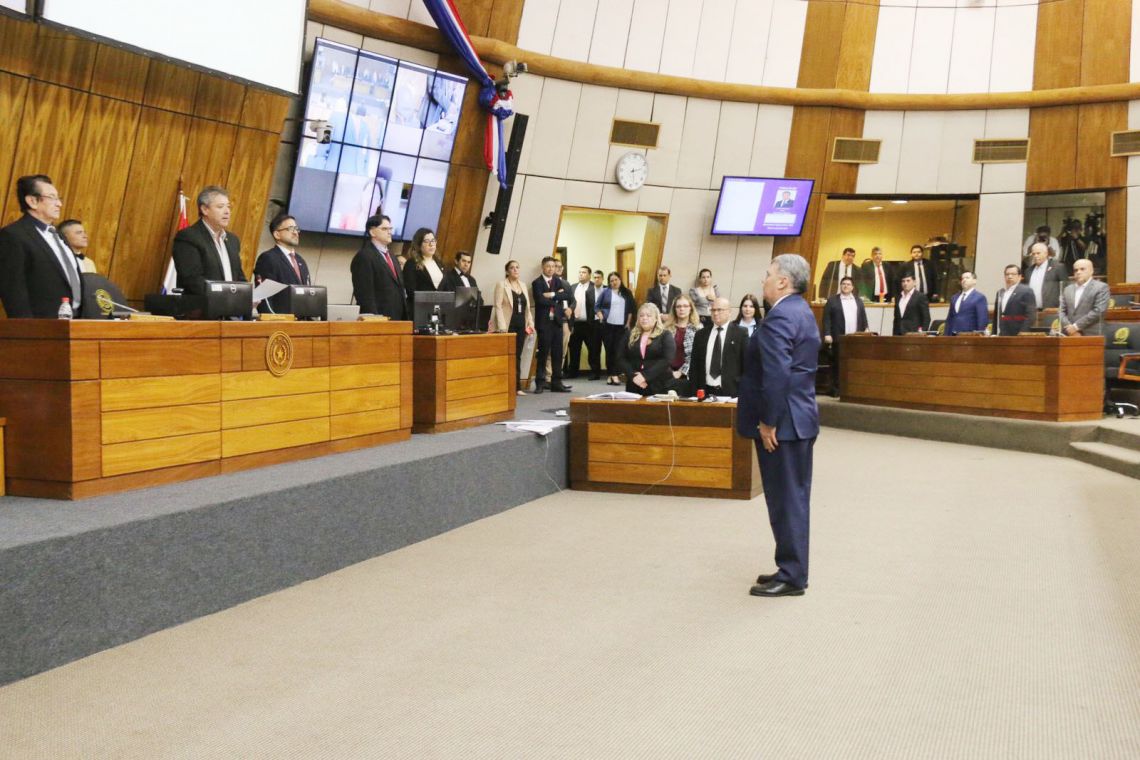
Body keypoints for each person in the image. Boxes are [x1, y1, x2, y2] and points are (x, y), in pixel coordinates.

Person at [737, 253, 820, 598]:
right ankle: (791, 566)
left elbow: (776, 375)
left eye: (769, 274)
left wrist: (768, 422)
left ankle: (792, 575)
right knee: (792, 499)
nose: (764, 280)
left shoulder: (780, 317)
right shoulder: (801, 311)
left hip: (783, 424)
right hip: (799, 419)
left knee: (786, 500)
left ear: (784, 281)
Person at [0, 174, 85, 317]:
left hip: (74, 321)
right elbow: (13, 289)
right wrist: (28, 331)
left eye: (59, 198)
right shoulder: (13, 235)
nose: (59, 204)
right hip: (42, 325)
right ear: (32, 201)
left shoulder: (58, 235)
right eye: (52, 198)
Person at [172, 185, 245, 296]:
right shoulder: (188, 237)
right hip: (201, 309)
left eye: (228, 207)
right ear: (204, 209)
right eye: (220, 207)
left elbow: (238, 276)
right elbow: (192, 279)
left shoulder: (232, 240)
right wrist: (223, 297)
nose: (227, 212)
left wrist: (247, 296)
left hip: (231, 309)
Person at [351, 214, 408, 319]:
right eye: (384, 229)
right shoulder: (364, 257)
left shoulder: (391, 255)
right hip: (378, 320)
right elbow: (365, 294)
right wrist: (374, 319)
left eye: (390, 229)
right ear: (372, 232)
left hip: (398, 319)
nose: (389, 232)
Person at [689, 297, 748, 397]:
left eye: (719, 310)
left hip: (731, 392)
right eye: (713, 310)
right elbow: (694, 365)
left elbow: (746, 364)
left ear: (729, 312)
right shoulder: (701, 334)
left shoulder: (740, 333)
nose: (715, 313)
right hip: (704, 391)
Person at [253, 213, 311, 315]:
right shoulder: (268, 258)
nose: (295, 233)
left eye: (296, 229)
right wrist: (275, 323)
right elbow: (264, 299)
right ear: (277, 234)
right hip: (280, 324)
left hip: (302, 323)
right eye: (290, 229)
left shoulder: (300, 260)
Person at [531, 256, 573, 393]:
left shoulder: (558, 281)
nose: (551, 269)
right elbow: (540, 300)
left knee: (557, 353)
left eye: (553, 266)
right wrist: (556, 300)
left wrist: (552, 294)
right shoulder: (536, 282)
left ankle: (557, 382)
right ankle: (540, 383)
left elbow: (567, 296)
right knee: (543, 353)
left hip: (557, 322)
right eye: (548, 266)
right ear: (543, 267)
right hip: (544, 323)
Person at [491, 259, 533, 394]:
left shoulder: (523, 285)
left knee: (518, 355)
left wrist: (530, 323)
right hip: (508, 325)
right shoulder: (501, 285)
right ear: (507, 271)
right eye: (512, 268)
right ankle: (505, 387)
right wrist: (502, 327)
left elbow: (527, 308)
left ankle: (517, 387)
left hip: (521, 325)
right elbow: (497, 306)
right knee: (507, 356)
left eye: (517, 267)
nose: (515, 270)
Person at [616, 303, 675, 397]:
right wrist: (633, 376)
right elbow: (620, 357)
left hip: (659, 383)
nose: (644, 318)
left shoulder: (665, 335)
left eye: (649, 315)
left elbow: (667, 359)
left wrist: (645, 376)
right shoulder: (629, 334)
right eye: (641, 315)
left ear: (656, 318)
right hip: (634, 383)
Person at [822, 276, 868, 396]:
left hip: (855, 339)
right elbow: (826, 319)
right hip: (838, 338)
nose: (846, 286)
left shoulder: (858, 301)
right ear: (840, 286)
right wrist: (827, 334)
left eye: (848, 284)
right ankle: (837, 389)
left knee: (853, 364)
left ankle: (852, 389)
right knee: (838, 364)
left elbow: (863, 317)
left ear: (852, 287)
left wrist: (866, 330)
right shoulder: (832, 300)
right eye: (843, 284)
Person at [596, 271, 636, 385]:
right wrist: (600, 315)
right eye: (611, 281)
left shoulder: (626, 292)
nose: (614, 282)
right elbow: (597, 306)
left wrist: (628, 323)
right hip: (607, 325)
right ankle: (611, 375)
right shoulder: (605, 292)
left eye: (616, 280)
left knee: (618, 351)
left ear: (620, 280)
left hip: (622, 326)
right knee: (609, 351)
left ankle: (615, 374)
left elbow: (631, 310)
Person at [1059, 258, 1110, 336]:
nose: (1078, 272)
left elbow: (1099, 311)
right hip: (1069, 334)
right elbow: (1061, 311)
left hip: (1091, 334)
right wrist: (1069, 328)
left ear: (1091, 271)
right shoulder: (1067, 289)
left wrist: (1076, 327)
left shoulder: (1101, 287)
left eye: (1082, 269)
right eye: (1076, 270)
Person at [566, 266, 600, 379]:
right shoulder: (572, 287)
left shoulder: (594, 287)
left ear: (589, 275)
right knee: (574, 349)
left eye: (584, 272)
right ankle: (573, 372)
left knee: (593, 349)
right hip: (575, 323)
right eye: (579, 272)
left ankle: (595, 372)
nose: (581, 274)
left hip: (589, 324)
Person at [664, 294, 700, 396]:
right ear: (674, 309)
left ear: (691, 309)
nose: (682, 309)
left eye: (685, 306)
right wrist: (669, 372)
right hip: (667, 374)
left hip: (687, 376)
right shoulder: (666, 329)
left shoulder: (698, 329)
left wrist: (680, 372)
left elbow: (695, 356)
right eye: (678, 306)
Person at [992, 264, 1037, 336]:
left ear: (1019, 276)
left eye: (1013, 274)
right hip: (1001, 332)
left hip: (1018, 332)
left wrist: (1023, 332)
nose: (1010, 276)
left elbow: (1031, 315)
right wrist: (994, 332)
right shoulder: (1000, 292)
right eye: (1007, 274)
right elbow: (996, 315)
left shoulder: (1026, 291)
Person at [401, 227, 443, 302]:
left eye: (433, 241)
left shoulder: (439, 263)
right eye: (427, 241)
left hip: (437, 308)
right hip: (418, 308)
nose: (431, 244)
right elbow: (411, 291)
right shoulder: (411, 263)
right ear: (419, 245)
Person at [1023, 242, 1067, 309]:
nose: (1035, 256)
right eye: (1033, 254)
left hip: (1051, 310)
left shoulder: (1057, 267)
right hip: (1032, 310)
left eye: (1038, 253)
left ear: (1046, 253)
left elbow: (1065, 288)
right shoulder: (1028, 271)